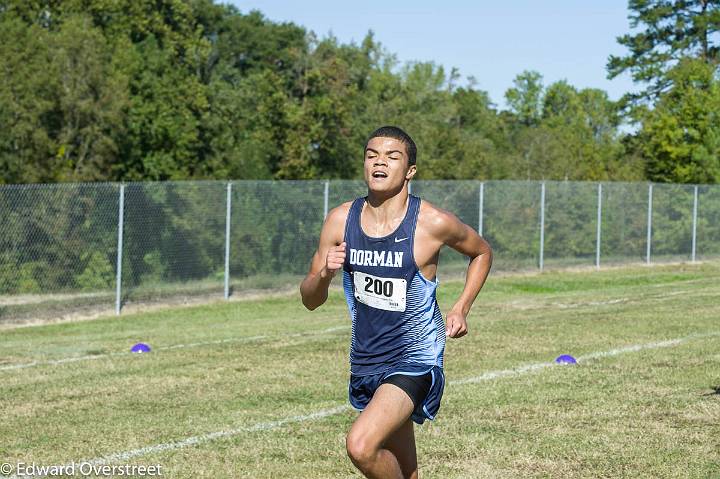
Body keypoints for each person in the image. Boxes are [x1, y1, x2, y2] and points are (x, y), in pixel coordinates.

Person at [300, 126, 492, 479]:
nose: (379, 162)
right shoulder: (341, 220)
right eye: (372, 155)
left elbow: (481, 252)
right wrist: (324, 275)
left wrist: (461, 307)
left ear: (410, 170)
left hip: (415, 357)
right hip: (366, 357)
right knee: (404, 467)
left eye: (391, 156)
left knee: (361, 445)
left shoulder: (432, 222)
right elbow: (310, 299)